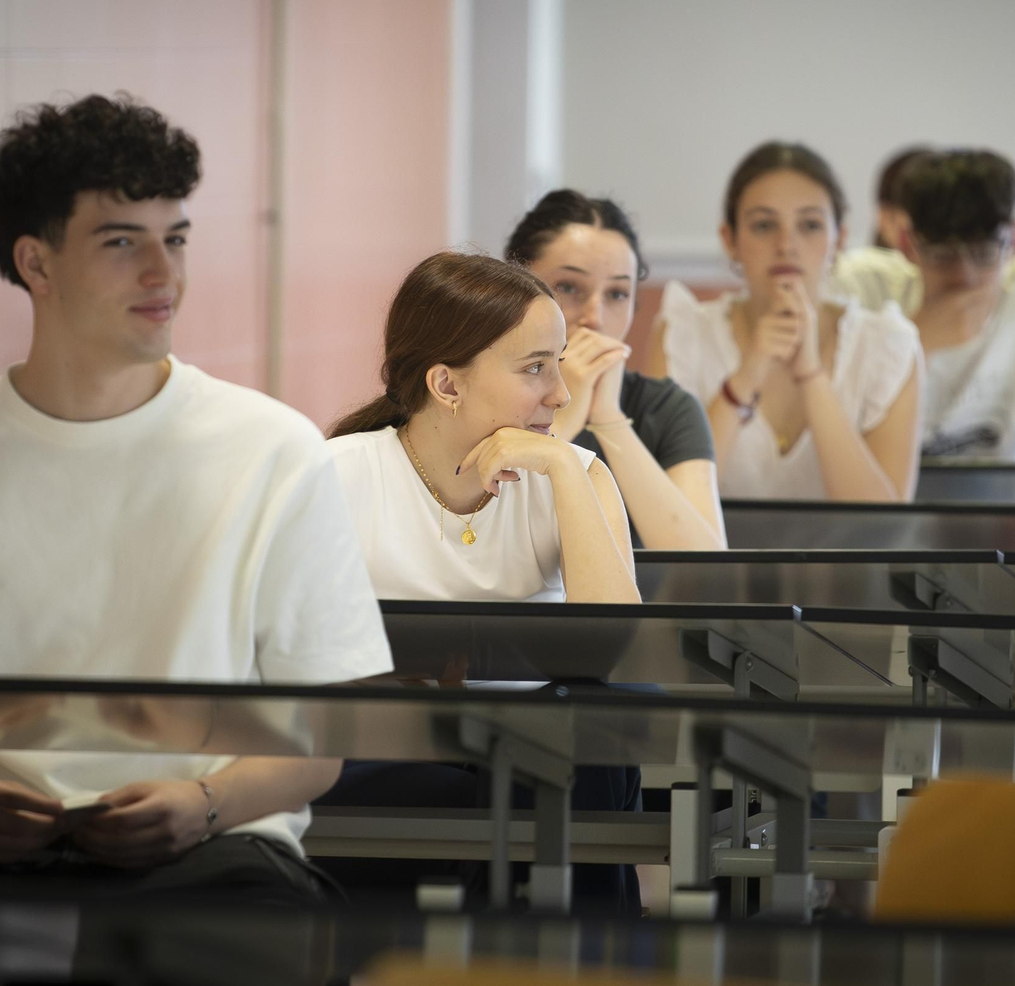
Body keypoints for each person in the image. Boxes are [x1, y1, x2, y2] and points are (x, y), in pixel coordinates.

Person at [0, 95, 391, 904]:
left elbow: (319, 742)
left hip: (208, 852)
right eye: (120, 242)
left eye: (174, 238)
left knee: (251, 929)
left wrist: (201, 804)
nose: (163, 273)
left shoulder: (276, 455)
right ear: (36, 263)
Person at [320, 251, 642, 912]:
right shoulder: (335, 476)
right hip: (388, 748)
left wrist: (561, 469)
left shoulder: (576, 477)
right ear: (446, 384)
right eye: (534, 369)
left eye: (558, 364)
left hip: (539, 751)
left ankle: (568, 963)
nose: (559, 392)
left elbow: (620, 651)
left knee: (581, 744)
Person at [648, 141, 923, 501]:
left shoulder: (887, 346)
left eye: (809, 225)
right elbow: (661, 505)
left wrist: (811, 376)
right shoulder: (682, 335)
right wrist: (747, 376)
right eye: (763, 225)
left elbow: (883, 524)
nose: (786, 244)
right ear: (730, 240)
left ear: (838, 239)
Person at [834, 148, 1015, 463]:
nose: (965, 276)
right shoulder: (860, 287)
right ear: (907, 245)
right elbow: (824, 446)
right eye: (943, 254)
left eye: (985, 253)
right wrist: (913, 338)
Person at [505, 189, 724, 549]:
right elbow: (484, 539)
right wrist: (563, 414)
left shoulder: (669, 409)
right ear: (512, 288)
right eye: (569, 287)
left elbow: (705, 575)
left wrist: (608, 419)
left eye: (618, 293)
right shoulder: (480, 396)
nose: (596, 317)